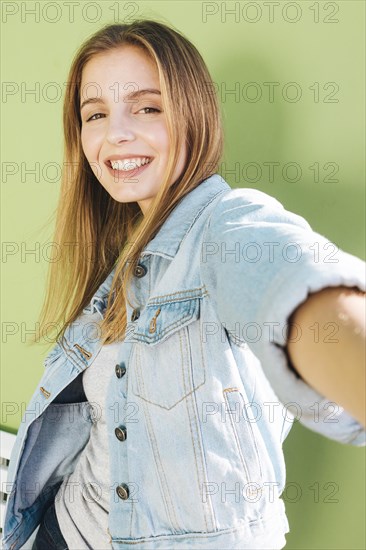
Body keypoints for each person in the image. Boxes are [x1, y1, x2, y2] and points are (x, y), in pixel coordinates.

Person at [2, 19, 365, 550]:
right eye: (96, 114)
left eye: (147, 107)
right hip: (57, 529)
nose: (116, 133)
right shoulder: (124, 255)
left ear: (193, 113)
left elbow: (297, 287)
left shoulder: (229, 227)